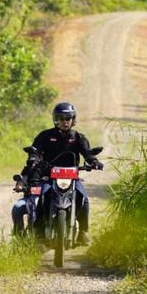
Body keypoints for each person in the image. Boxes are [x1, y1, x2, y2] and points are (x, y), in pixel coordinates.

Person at [22, 102, 103, 245]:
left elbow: (87, 154)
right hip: (50, 177)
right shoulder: (45, 136)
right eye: (62, 118)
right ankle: (39, 232)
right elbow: (35, 150)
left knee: (84, 199)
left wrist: (94, 161)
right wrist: (34, 158)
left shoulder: (78, 137)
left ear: (73, 119)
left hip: (72, 178)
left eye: (68, 118)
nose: (65, 122)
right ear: (56, 120)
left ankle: (83, 233)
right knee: (43, 196)